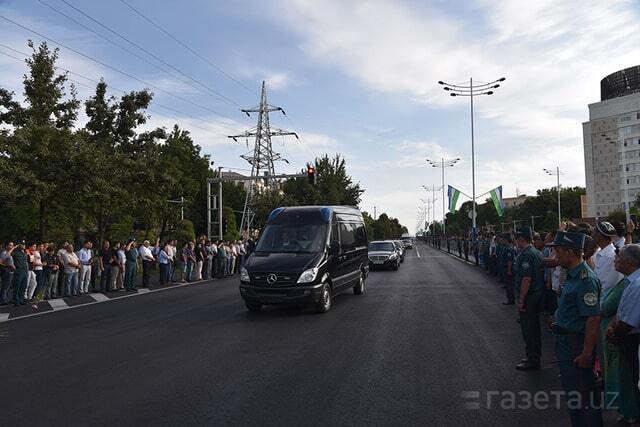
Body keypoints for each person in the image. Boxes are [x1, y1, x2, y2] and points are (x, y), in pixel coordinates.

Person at [548, 231, 602, 427]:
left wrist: (587, 354)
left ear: (570, 252)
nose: (555, 255)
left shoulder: (585, 279)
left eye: (558, 251)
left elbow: (593, 319)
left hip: (575, 345)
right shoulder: (573, 276)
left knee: (582, 397)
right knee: (574, 395)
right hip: (565, 341)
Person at [600, 245, 640, 423]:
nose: (615, 260)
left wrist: (614, 333)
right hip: (624, 335)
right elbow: (621, 311)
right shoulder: (629, 281)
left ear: (629, 262)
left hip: (633, 340)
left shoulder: (637, 285)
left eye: (618, 258)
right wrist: (612, 326)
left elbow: (629, 320)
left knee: (635, 380)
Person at [513, 227, 545, 371]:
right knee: (534, 328)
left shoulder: (526, 255)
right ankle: (533, 356)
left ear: (521, 240)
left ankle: (532, 359)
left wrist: (521, 300)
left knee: (529, 329)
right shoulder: (536, 252)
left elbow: (526, 279)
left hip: (529, 297)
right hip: (536, 295)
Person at [593, 222, 623, 305]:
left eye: (594, 232)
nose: (592, 235)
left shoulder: (612, 257)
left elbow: (607, 286)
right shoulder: (599, 253)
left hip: (604, 305)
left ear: (599, 236)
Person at [11, 241, 28, 306]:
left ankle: (21, 299)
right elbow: (8, 254)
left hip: (24, 271)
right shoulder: (15, 252)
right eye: (22, 244)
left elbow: (26, 262)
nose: (23, 246)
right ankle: (16, 300)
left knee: (23, 286)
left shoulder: (25, 253)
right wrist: (14, 247)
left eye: (24, 244)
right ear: (19, 245)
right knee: (17, 286)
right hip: (18, 270)